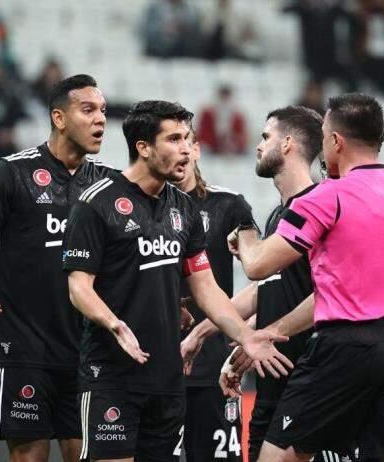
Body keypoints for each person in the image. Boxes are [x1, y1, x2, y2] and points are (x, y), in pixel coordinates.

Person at [62, 100, 293, 462]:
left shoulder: (182, 209)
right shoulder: (96, 204)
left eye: (187, 138)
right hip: (112, 375)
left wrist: (246, 336)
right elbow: (78, 286)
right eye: (173, 139)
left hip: (168, 380)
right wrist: (114, 324)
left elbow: (206, 288)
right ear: (143, 147)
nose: (186, 148)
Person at [227, 93, 384, 461]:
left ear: (336, 141)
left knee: (275, 456)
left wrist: (243, 229)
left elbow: (257, 266)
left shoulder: (326, 196)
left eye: (323, 137)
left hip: (345, 346)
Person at [0, 74, 109, 462]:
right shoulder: (13, 173)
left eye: (103, 112)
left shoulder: (108, 185)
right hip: (25, 348)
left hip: (88, 352)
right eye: (88, 110)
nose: (101, 120)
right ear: (59, 118)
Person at [181, 106, 346, 462]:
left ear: (287, 144)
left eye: (265, 137)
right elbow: (267, 289)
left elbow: (329, 295)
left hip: (306, 373)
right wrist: (204, 333)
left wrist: (245, 238)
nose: (258, 146)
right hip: (272, 375)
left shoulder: (319, 208)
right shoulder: (281, 213)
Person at [172, 130, 255, 462]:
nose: (178, 151)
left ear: (196, 149)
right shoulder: (141, 209)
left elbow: (264, 275)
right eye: (170, 141)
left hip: (213, 366)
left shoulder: (230, 205)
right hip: (159, 364)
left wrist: (249, 326)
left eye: (184, 142)